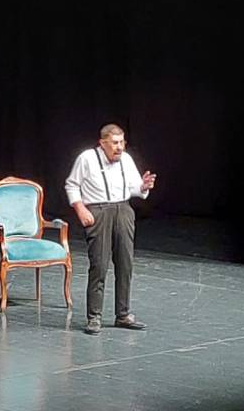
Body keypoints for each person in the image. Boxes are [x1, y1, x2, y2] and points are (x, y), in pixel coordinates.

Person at [65, 123, 156, 334]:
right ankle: (94, 317)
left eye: (122, 142)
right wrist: (80, 209)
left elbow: (134, 187)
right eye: (115, 143)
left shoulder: (126, 159)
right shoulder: (87, 158)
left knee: (125, 263)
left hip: (123, 210)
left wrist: (143, 186)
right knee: (99, 264)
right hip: (98, 211)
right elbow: (72, 185)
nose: (119, 147)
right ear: (102, 143)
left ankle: (123, 314)